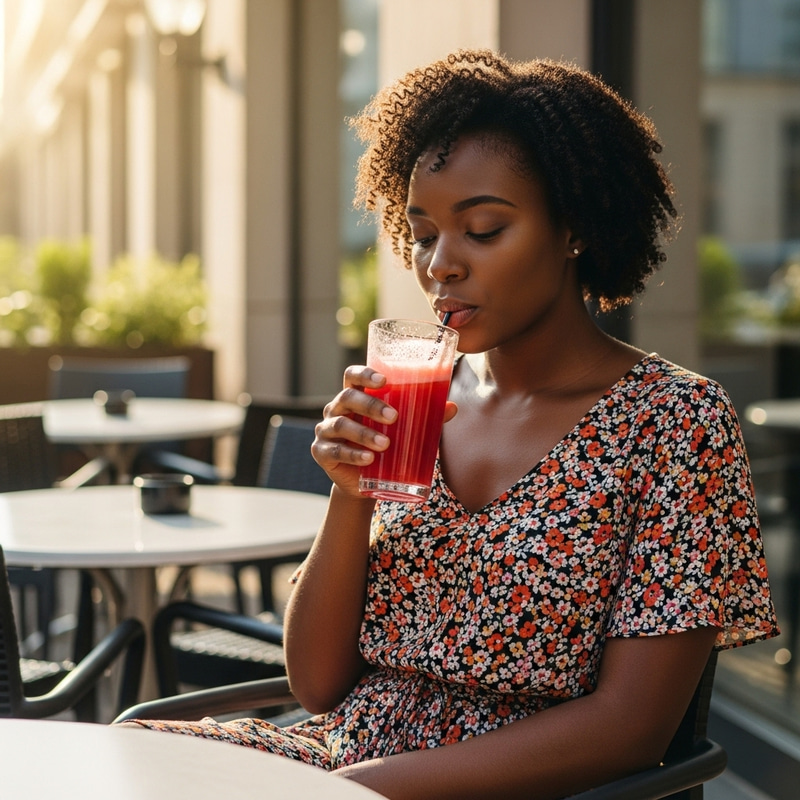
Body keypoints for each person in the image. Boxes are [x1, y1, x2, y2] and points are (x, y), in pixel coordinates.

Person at [122, 50, 779, 799]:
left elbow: (633, 726)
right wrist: (350, 494)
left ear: (575, 228)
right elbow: (317, 683)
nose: (440, 265)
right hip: (342, 756)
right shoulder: (418, 397)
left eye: (484, 229)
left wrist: (370, 788)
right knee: (117, 762)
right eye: (425, 233)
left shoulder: (673, 421)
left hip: (514, 785)